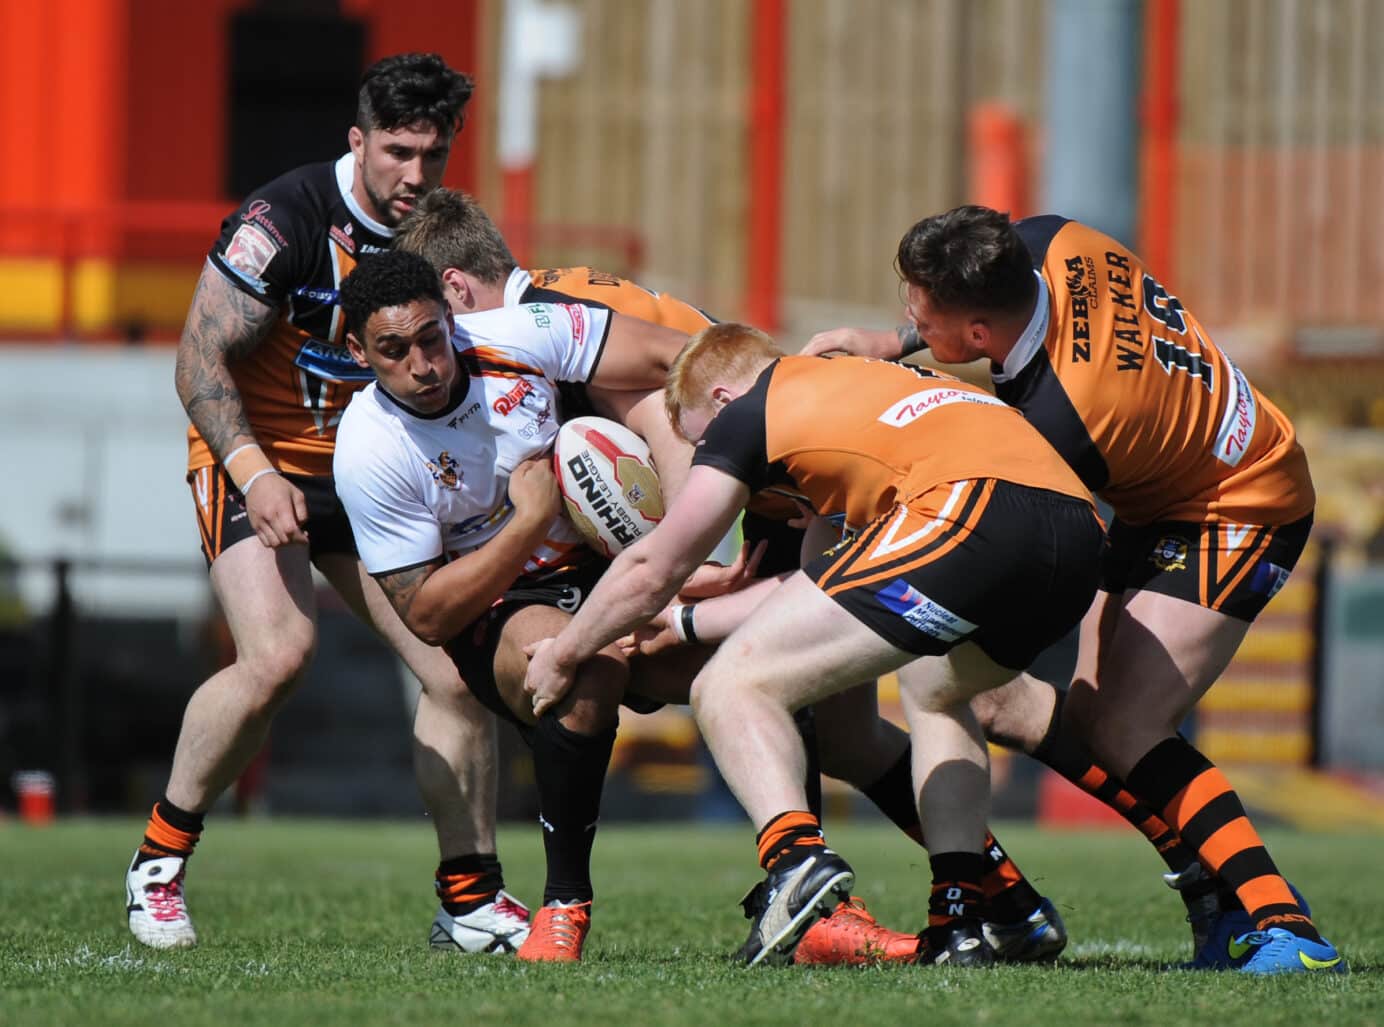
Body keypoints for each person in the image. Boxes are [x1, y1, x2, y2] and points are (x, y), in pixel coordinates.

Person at [395, 190, 1070, 965]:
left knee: (753, 687)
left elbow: (667, 393)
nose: (439, 347)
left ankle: (817, 899)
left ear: (454, 288)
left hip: (778, 489)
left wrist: (684, 565)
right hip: (791, 483)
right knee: (843, 729)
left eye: (436, 321)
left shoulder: (534, 321)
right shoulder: (560, 293)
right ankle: (1004, 897)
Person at [802, 205, 1346, 975]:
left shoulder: (1066, 417)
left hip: (1242, 500)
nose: (908, 317)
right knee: (1091, 718)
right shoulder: (1046, 238)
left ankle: (1287, 925)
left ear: (980, 335)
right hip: (1168, 479)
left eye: (918, 312)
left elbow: (1018, 514)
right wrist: (893, 345)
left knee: (1129, 724)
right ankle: (1211, 892)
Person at [526, 323, 1105, 966]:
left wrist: (566, 650)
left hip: (974, 517)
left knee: (731, 686)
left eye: (701, 443)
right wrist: (683, 625)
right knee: (937, 692)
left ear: (722, 400)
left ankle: (794, 859)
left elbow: (652, 569)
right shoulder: (859, 394)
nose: (710, 457)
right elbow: (817, 589)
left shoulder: (750, 413)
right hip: (1075, 537)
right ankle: (973, 916)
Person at [123, 54, 528, 957]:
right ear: (358, 141)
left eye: (435, 153)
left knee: (452, 674)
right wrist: (256, 473)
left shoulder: (439, 233)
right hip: (253, 455)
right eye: (397, 152)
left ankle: (470, 902)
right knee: (280, 653)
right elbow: (197, 361)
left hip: (368, 472)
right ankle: (159, 861)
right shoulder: (286, 217)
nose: (415, 176)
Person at [333, 249, 709, 961]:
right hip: (499, 605)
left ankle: (849, 883)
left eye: (431, 338)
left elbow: (676, 361)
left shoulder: (521, 333)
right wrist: (528, 520)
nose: (423, 363)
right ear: (357, 351)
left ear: (450, 317)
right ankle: (564, 906)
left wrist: (685, 530)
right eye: (393, 350)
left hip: (610, 565)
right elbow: (430, 615)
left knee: (757, 661)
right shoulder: (367, 448)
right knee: (581, 671)